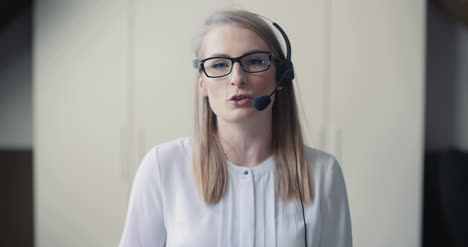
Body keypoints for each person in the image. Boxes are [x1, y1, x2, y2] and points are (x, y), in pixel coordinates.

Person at [119, 9, 352, 247]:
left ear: (281, 76)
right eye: (219, 64)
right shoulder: (162, 167)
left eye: (254, 61)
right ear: (202, 83)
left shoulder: (323, 172)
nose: (237, 78)